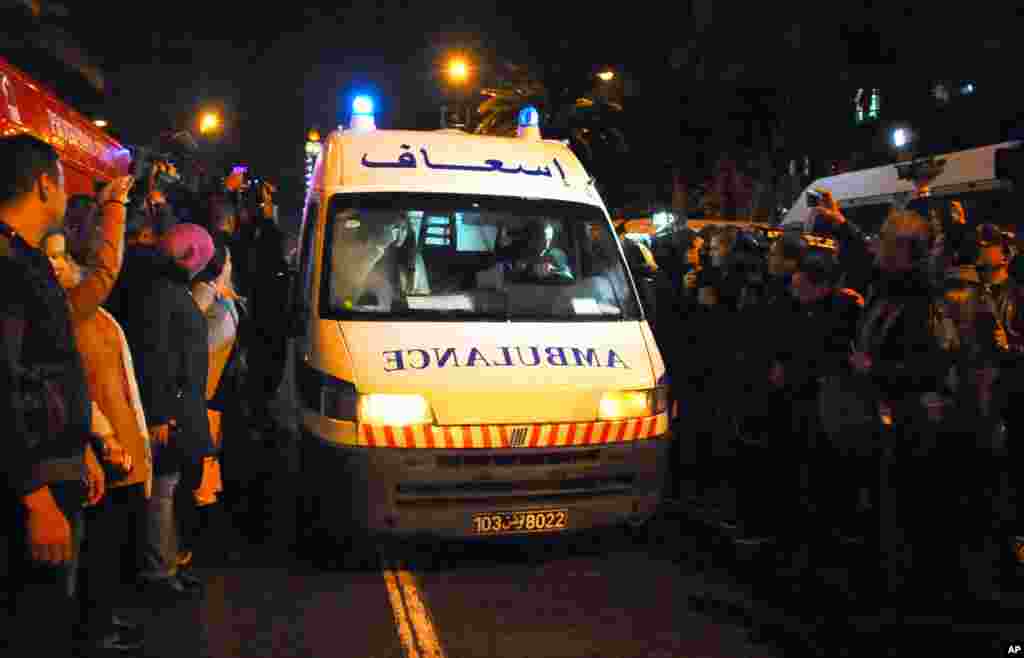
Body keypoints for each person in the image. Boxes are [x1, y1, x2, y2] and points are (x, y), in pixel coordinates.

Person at [0, 134, 104, 655]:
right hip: (31, 487)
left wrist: (80, 446)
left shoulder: (29, 262)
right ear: (45, 185)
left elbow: (50, 374)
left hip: (54, 469)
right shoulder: (10, 267)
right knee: (32, 629)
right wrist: (34, 494)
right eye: (62, 182)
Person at [42, 175, 153, 653]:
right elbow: (106, 270)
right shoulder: (66, 308)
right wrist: (115, 208)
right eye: (50, 257)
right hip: (96, 449)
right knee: (97, 553)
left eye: (62, 255)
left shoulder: (73, 305)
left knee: (106, 550)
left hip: (115, 443)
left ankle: (102, 621)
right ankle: (95, 630)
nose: (61, 264)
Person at [132, 223, 215, 599]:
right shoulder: (166, 293)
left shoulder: (163, 287)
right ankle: (158, 572)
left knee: (170, 492)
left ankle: (167, 564)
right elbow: (158, 356)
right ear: (191, 257)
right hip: (172, 413)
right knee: (163, 494)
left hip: (178, 410)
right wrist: (161, 414)